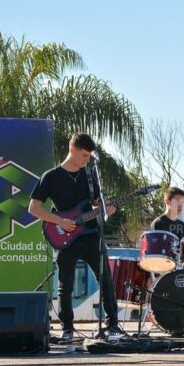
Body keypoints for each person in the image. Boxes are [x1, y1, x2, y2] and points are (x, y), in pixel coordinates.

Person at [28, 132, 123, 343]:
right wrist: (59, 221)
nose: (86, 160)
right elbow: (34, 208)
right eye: (83, 155)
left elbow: (97, 204)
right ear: (72, 150)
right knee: (66, 285)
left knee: (105, 280)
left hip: (90, 235)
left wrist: (108, 208)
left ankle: (113, 324)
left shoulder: (90, 175)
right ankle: (67, 328)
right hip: (64, 238)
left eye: (89, 156)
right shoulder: (51, 176)